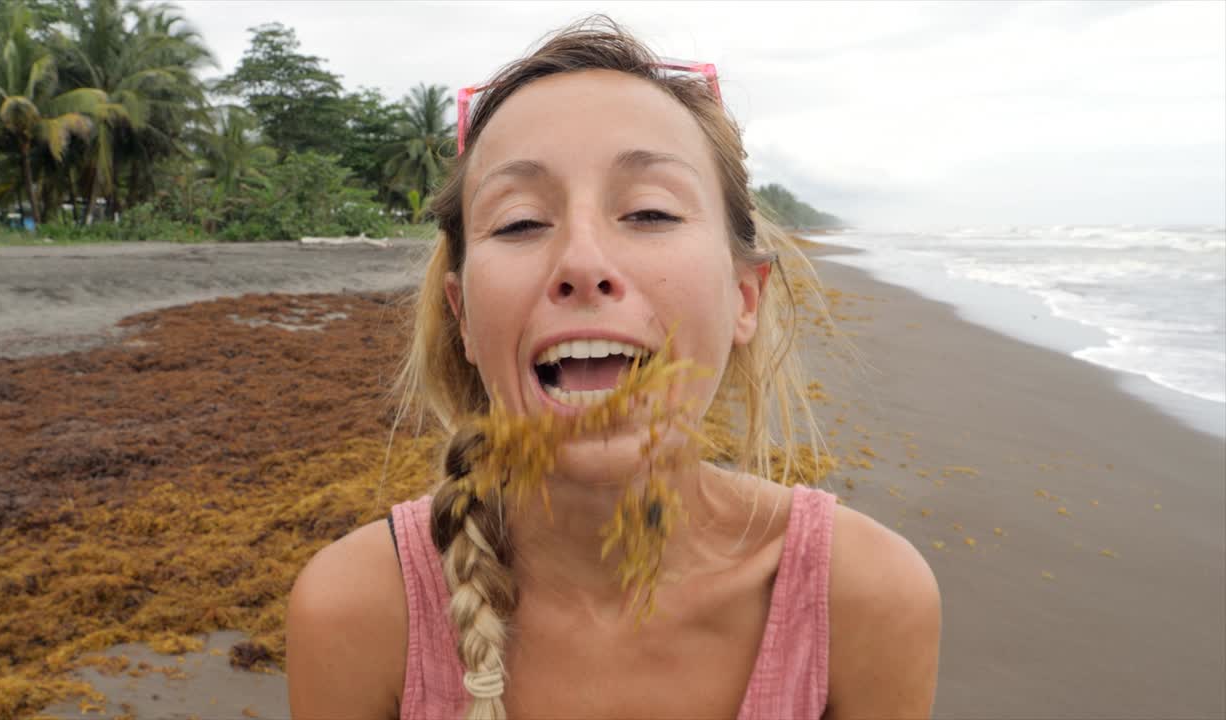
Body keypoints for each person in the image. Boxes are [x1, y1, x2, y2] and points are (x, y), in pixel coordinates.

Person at [286, 15, 940, 720]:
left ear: (744, 296)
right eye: (520, 222)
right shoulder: (357, 610)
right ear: (464, 317)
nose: (584, 265)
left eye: (651, 213)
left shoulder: (863, 597)